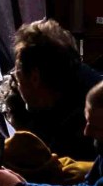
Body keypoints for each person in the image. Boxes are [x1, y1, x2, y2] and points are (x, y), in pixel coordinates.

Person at [7, 19, 102, 157]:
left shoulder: (92, 116)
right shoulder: (69, 87)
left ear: (35, 77)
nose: (15, 85)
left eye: (17, 78)